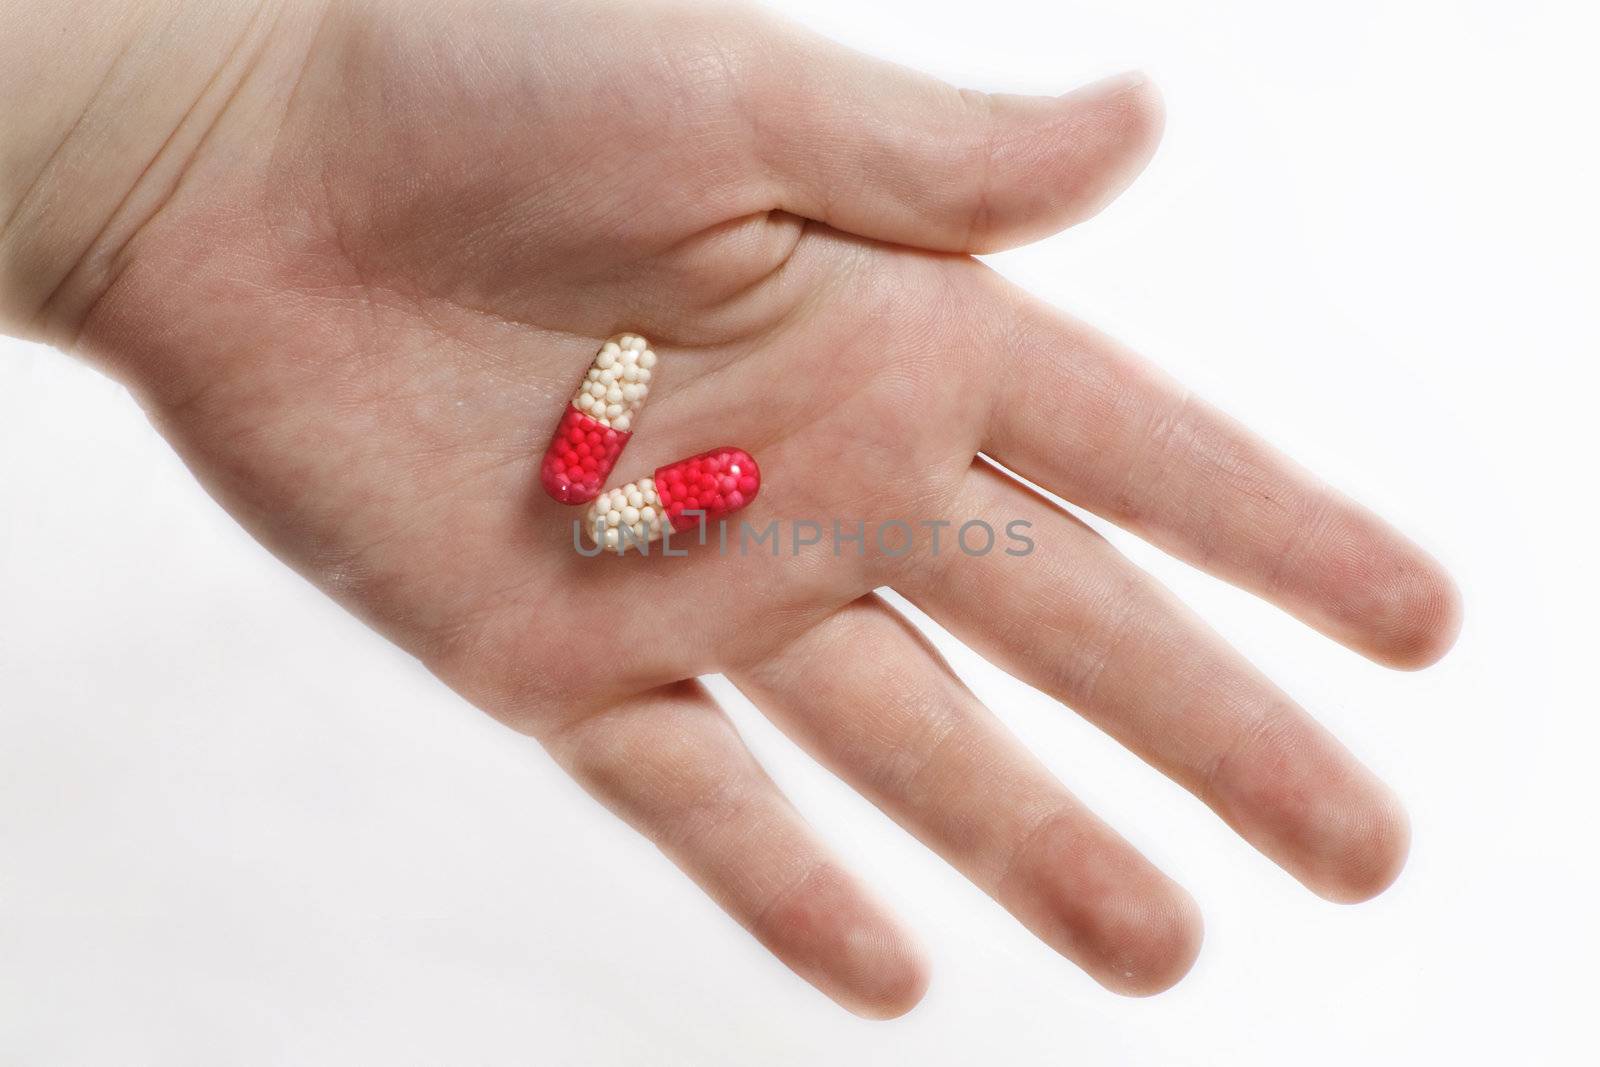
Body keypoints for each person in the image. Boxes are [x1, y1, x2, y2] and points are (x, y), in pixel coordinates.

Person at [0, 0, 1460, 1018]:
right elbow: (594, 497)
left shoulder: (619, 463)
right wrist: (199, 94)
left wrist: (196, 81)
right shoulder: (599, 460)